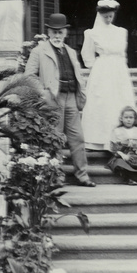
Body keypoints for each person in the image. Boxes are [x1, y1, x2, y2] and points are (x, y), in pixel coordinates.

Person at [25, 13, 96, 187]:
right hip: (53, 99)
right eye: (54, 32)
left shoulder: (71, 52)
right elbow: (29, 76)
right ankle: (55, 177)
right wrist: (43, 93)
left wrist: (82, 93)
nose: (57, 35)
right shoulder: (39, 51)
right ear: (49, 32)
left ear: (65, 33)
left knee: (77, 138)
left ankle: (82, 175)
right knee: (54, 139)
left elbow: (78, 75)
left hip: (71, 97)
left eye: (60, 32)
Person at [81, 0, 136, 150]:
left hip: (119, 70)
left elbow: (123, 54)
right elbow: (87, 55)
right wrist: (98, 68)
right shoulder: (92, 33)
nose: (108, 19)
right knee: (102, 102)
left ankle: (121, 139)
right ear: (100, 15)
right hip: (102, 70)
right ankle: (98, 140)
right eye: (105, 16)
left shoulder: (121, 32)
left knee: (119, 101)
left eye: (111, 16)